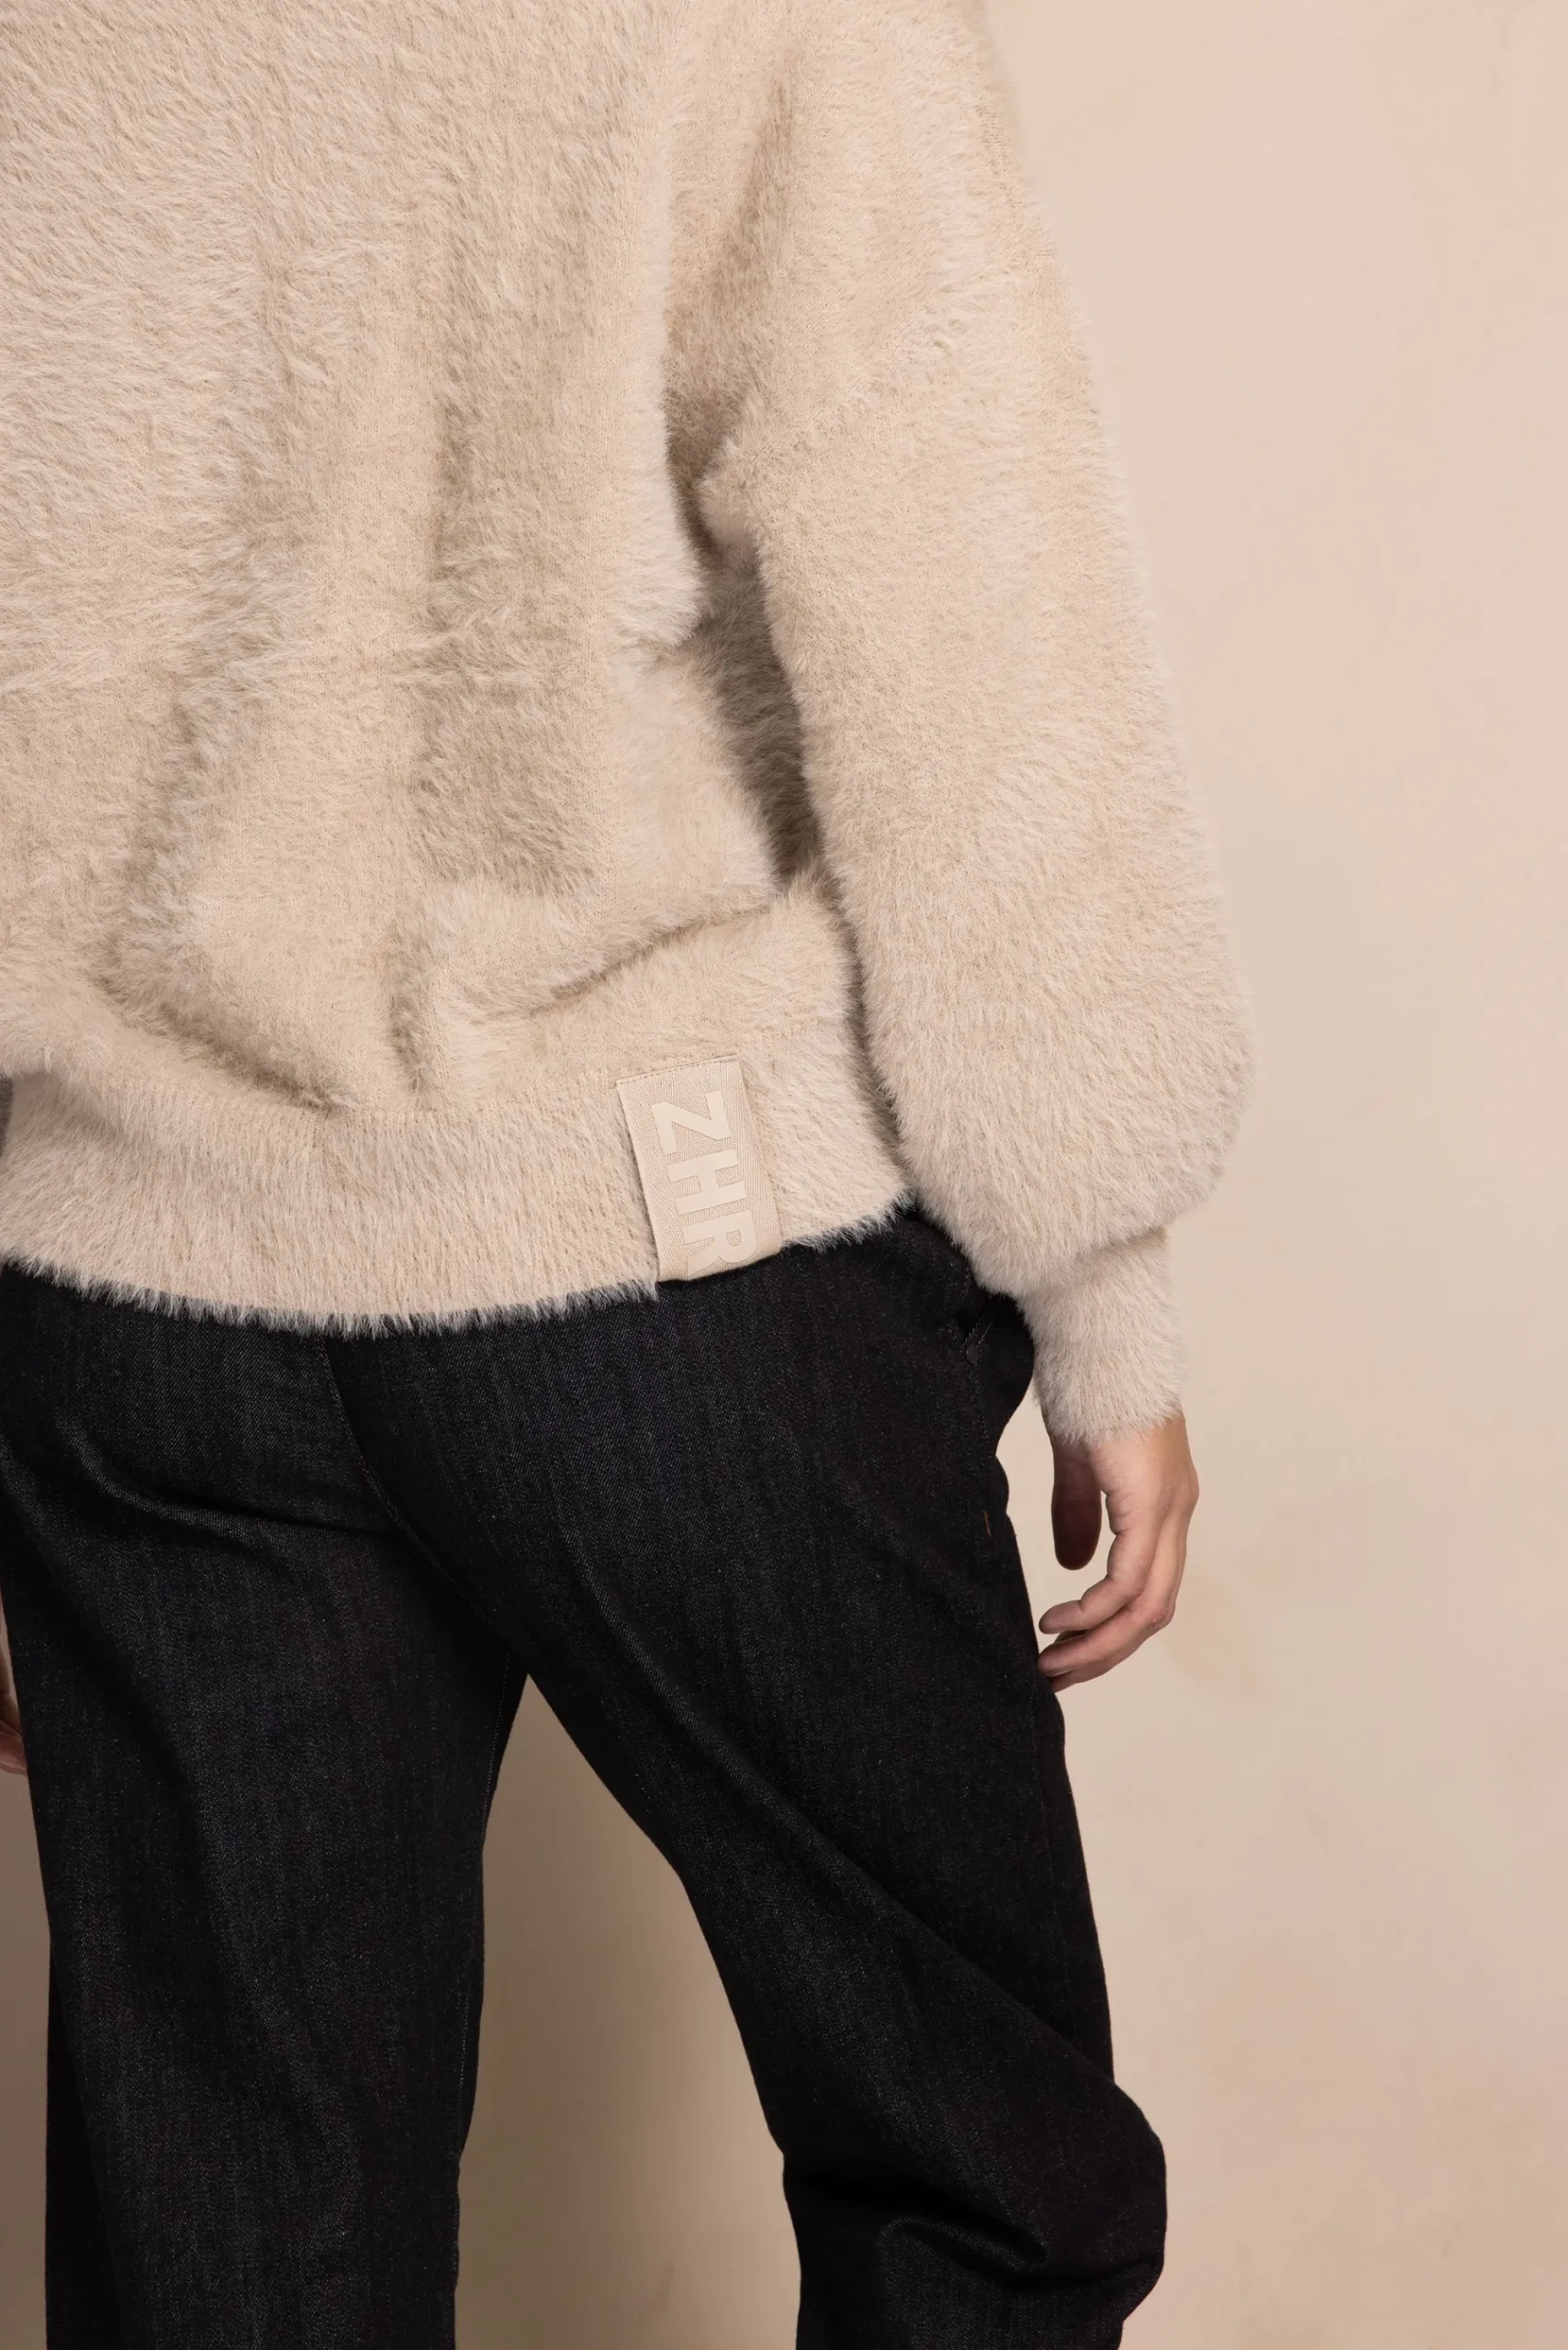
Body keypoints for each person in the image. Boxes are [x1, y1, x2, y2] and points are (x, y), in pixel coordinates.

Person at [0, 3, 1251, 2344]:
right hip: (659, 1248)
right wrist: (1098, 1272)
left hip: (126, 1296)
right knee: (982, 2193)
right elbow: (965, 603)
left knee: (231, 2273)